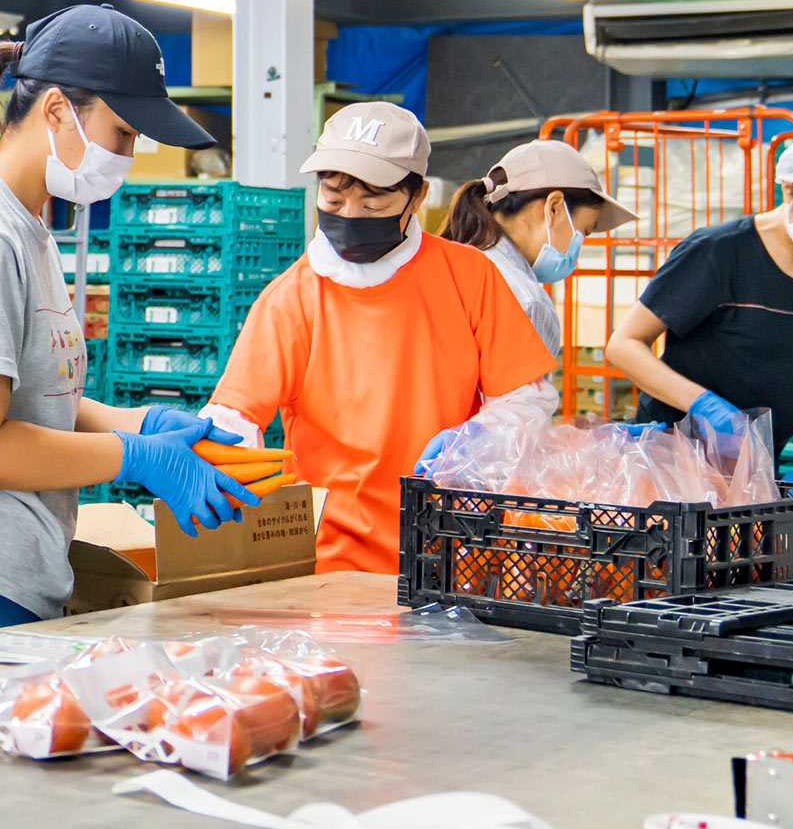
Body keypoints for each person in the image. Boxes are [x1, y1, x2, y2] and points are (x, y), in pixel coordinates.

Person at [0, 6, 259, 626]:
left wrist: (144, 422)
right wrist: (134, 457)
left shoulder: (30, 229)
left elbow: (28, 396)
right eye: (123, 134)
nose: (128, 155)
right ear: (55, 111)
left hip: (9, 570)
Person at [203, 102, 558, 573]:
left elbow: (524, 398)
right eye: (332, 200)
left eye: (373, 204)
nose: (350, 214)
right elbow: (234, 417)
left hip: (454, 552)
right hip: (333, 564)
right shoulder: (292, 299)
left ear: (418, 197)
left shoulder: (470, 277)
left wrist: (478, 441)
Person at [604, 127, 793, 484]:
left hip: (754, 471)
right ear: (788, 188)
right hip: (667, 462)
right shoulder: (718, 252)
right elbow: (623, 346)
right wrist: (703, 405)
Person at [439, 139, 636, 354]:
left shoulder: (449, 265)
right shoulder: (526, 301)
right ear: (554, 208)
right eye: (584, 231)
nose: (578, 247)